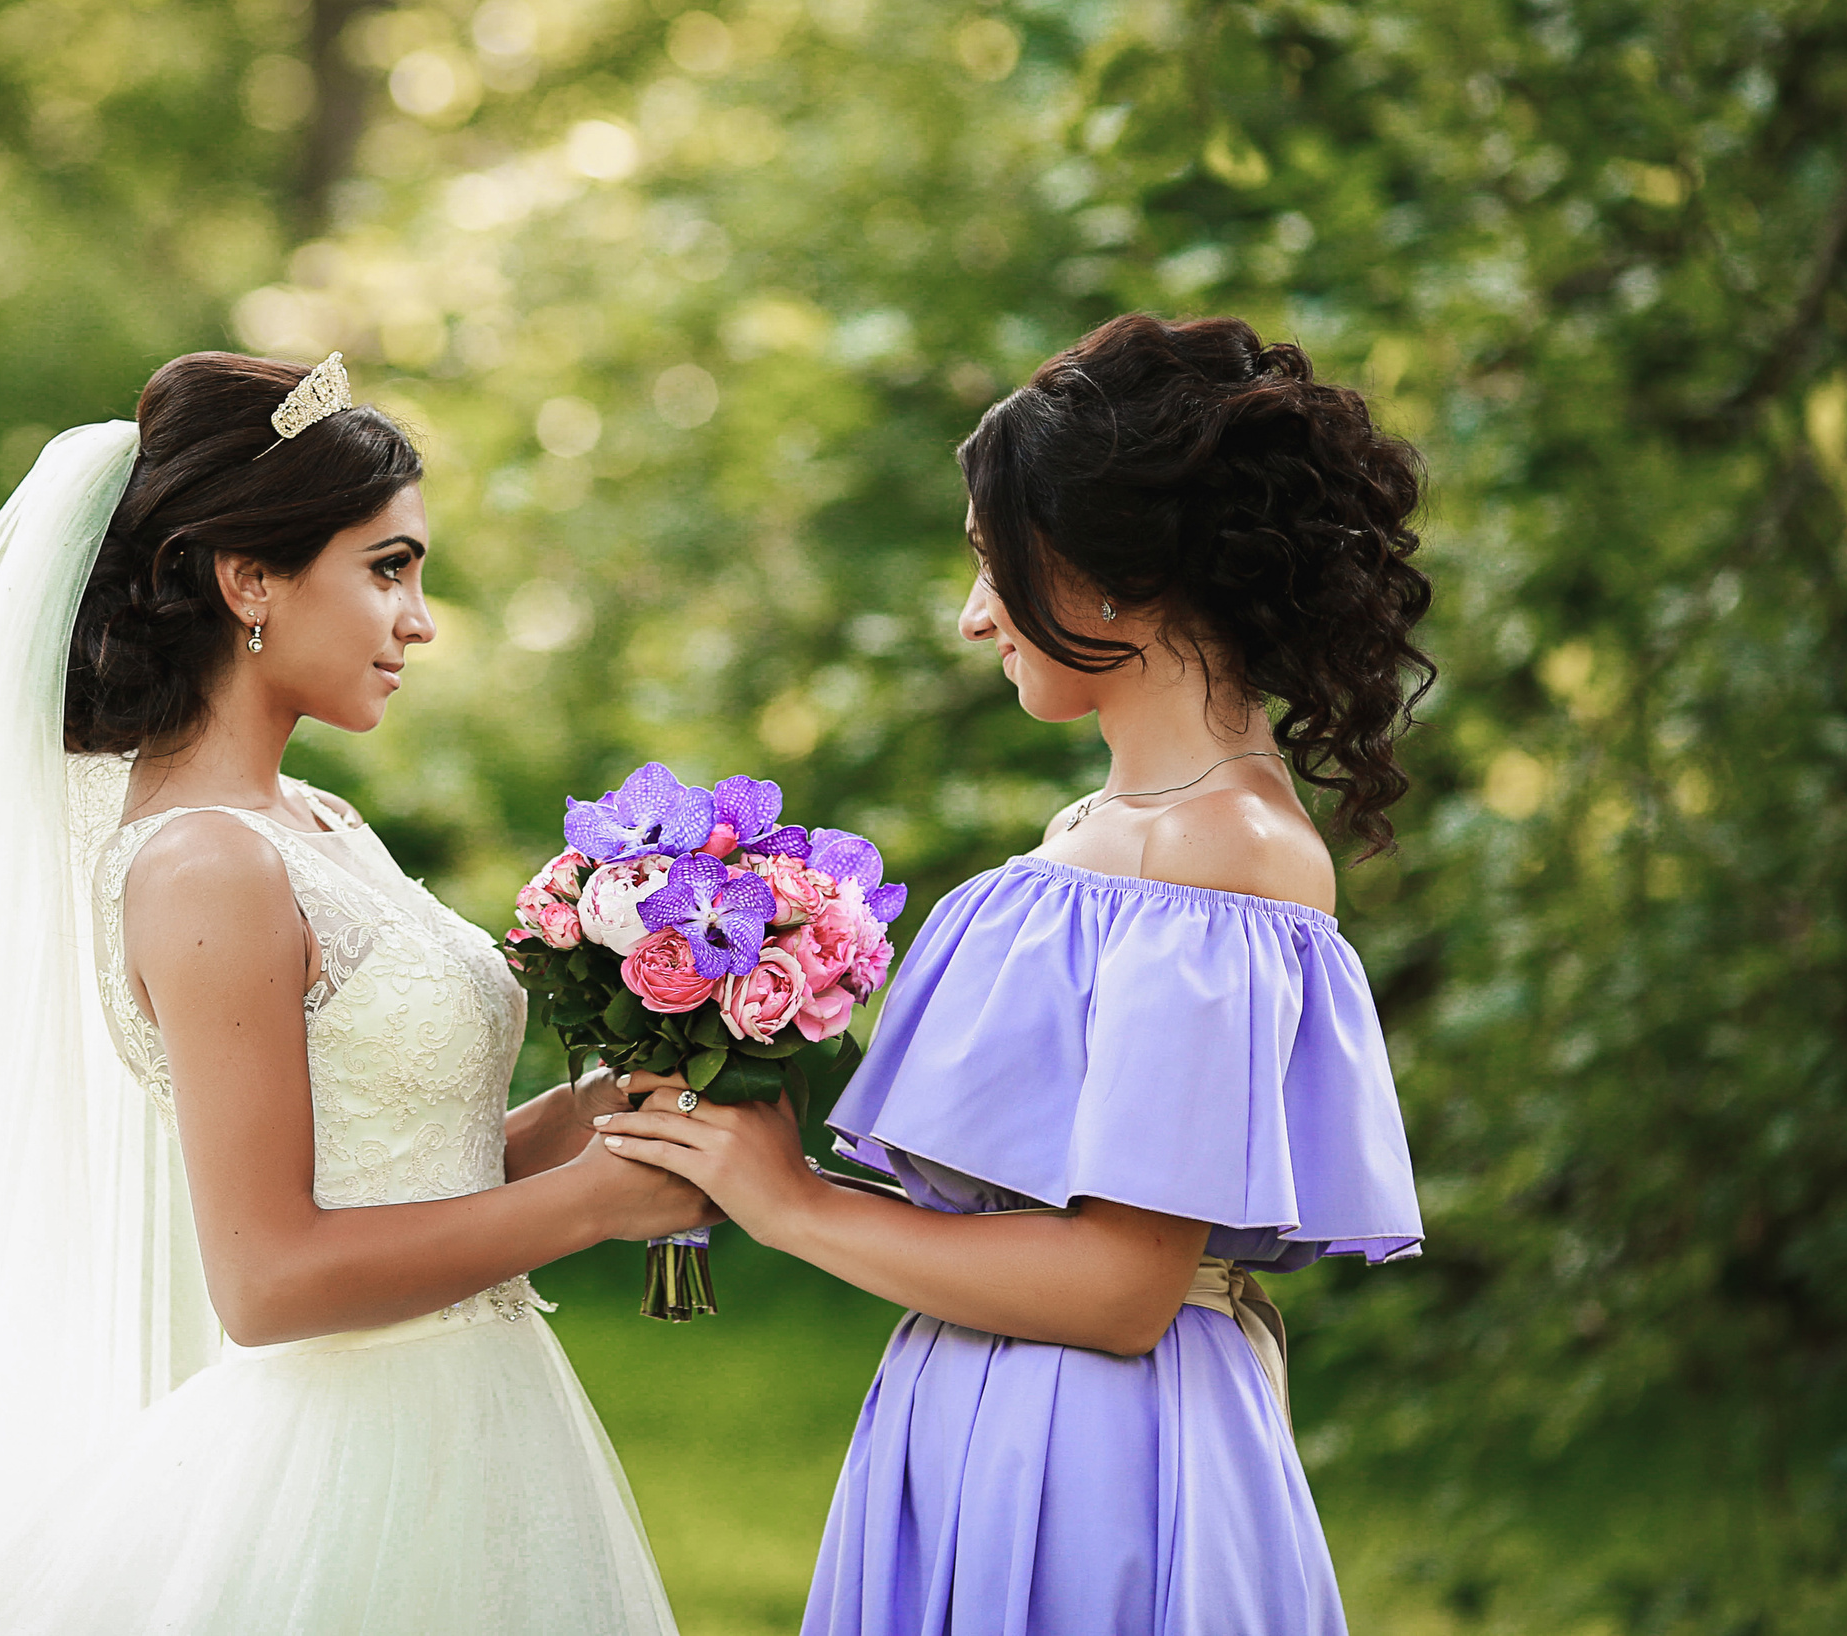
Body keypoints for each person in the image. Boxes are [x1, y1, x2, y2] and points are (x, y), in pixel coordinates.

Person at [0, 351, 700, 1635]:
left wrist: (603, 1114)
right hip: (356, 1456)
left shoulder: (317, 822)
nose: (420, 620)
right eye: (389, 567)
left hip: (481, 1409)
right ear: (249, 577)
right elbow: (268, 1278)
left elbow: (407, 1159)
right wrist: (592, 1206)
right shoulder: (207, 862)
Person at [596, 314, 1432, 1635]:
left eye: (996, 567)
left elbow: (1119, 1286)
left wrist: (792, 1204)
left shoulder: (1222, 849)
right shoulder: (1113, 834)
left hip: (1100, 1458)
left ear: (1108, 576)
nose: (974, 613)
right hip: (986, 1410)